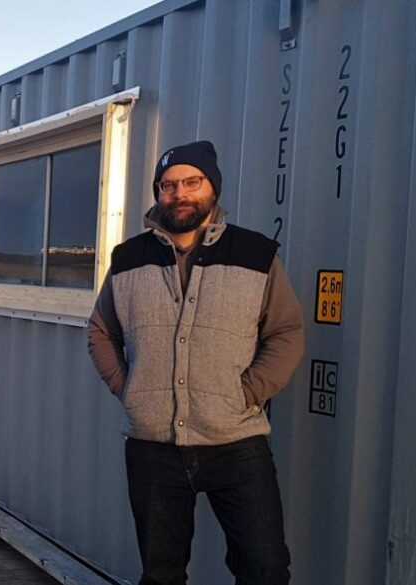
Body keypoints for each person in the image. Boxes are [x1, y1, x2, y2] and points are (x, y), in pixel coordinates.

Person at [87, 140, 305, 585]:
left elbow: (285, 332)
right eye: (168, 186)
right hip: (153, 448)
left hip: (237, 442)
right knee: (161, 573)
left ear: (212, 189)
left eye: (192, 182)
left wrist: (246, 393)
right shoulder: (128, 258)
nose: (180, 193)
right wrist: (129, 389)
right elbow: (100, 330)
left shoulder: (256, 254)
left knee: (264, 568)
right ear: (158, 193)